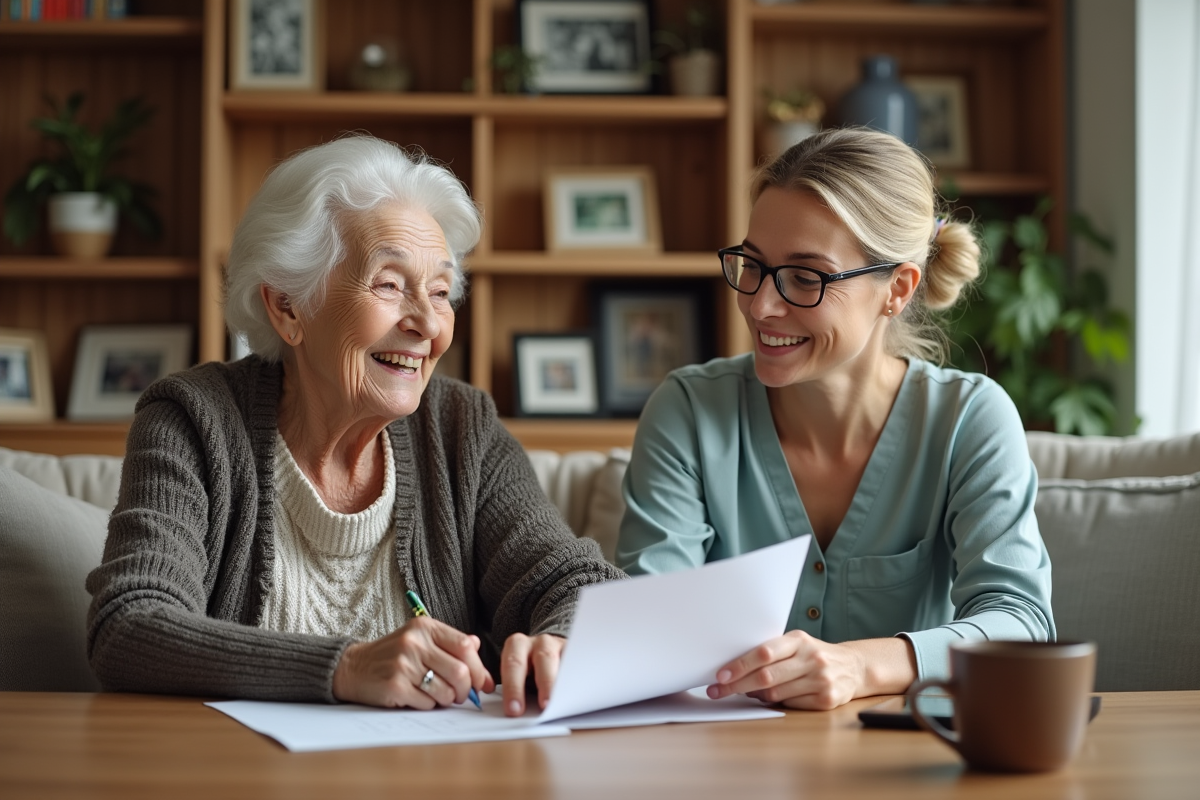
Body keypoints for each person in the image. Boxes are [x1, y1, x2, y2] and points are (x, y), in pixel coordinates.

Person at [86, 135, 624, 715]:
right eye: (390, 284)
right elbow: (130, 624)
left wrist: (563, 642)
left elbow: (573, 580)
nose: (426, 324)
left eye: (440, 293)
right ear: (288, 306)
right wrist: (344, 667)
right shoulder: (195, 422)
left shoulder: (461, 428)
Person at [616, 127, 1054, 711]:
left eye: (806, 277)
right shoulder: (689, 412)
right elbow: (652, 624)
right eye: (754, 264)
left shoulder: (968, 419)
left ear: (896, 289)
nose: (760, 304)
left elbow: (1021, 624)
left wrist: (860, 665)